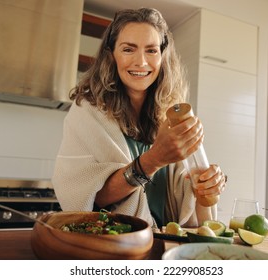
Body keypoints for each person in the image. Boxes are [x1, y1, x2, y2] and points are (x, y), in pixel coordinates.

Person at [52, 7, 227, 230]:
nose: (141, 62)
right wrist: (154, 159)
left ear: (163, 57)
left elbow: (187, 189)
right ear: (111, 55)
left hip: (167, 244)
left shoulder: (170, 115)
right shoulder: (87, 111)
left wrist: (207, 185)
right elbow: (89, 198)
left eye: (152, 51)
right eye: (128, 49)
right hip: (117, 245)